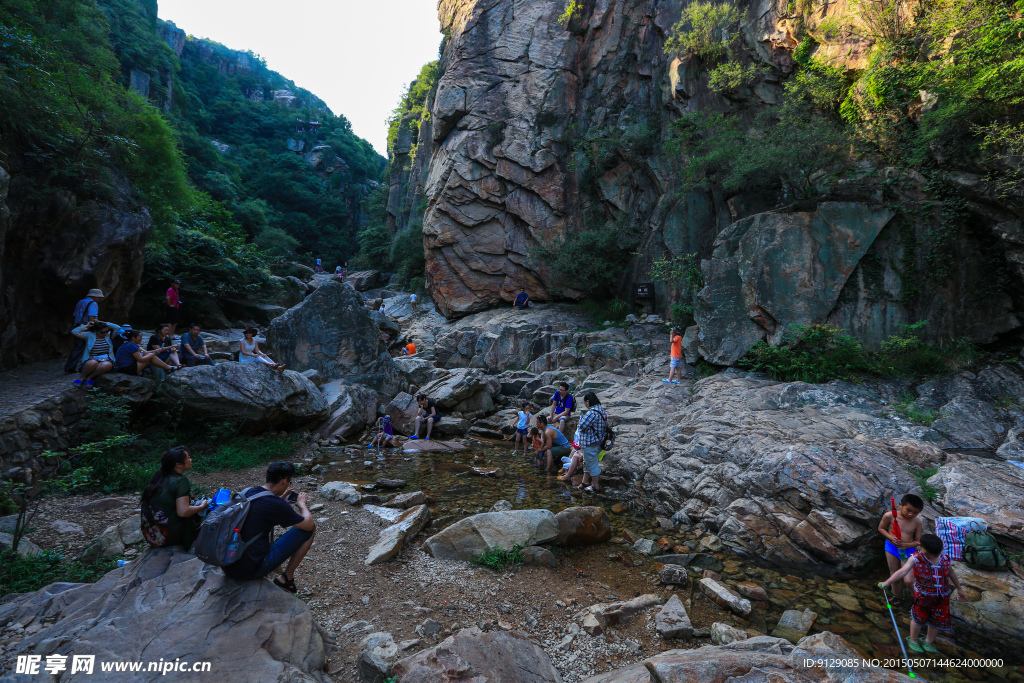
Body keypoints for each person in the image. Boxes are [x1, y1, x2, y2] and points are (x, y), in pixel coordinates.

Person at [222, 462, 316, 594]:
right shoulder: (275, 504)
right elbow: (308, 524)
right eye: (289, 481)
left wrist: (281, 500)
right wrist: (302, 505)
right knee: (310, 530)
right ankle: (286, 578)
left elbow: (260, 513)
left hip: (228, 565)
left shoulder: (248, 492)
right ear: (284, 481)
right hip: (249, 570)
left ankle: (274, 572)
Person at [879, 533, 966, 654]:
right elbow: (903, 571)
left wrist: (959, 588)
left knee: (937, 620)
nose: (933, 556)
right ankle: (913, 639)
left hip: (942, 596)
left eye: (936, 553)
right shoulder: (916, 558)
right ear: (922, 548)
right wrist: (887, 582)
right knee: (918, 618)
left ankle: (928, 641)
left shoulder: (945, 558)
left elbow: (951, 574)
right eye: (930, 553)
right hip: (924, 595)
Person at [140, 446, 208, 550]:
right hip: (167, 537)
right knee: (208, 515)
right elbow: (183, 512)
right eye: (188, 457)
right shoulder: (180, 481)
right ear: (179, 464)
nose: (191, 460)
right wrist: (202, 506)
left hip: (150, 536)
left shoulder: (160, 477)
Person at [878, 493, 925, 602]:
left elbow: (918, 541)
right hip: (891, 547)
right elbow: (881, 528)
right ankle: (896, 597)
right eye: (908, 510)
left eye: (915, 513)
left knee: (909, 580)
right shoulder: (889, 516)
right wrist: (891, 537)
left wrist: (907, 545)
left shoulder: (917, 522)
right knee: (894, 573)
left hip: (908, 551)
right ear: (900, 505)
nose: (910, 514)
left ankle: (918, 601)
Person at [573, 392, 607, 493]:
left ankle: (595, 485)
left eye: (585, 403)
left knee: (592, 465)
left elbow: (582, 426)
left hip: (590, 443)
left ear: (588, 401)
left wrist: (580, 421)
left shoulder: (592, 413)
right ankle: (585, 482)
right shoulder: (601, 410)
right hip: (597, 441)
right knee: (587, 462)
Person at [71, 321, 123, 386]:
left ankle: (89, 377)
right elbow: (74, 332)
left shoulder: (109, 335)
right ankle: (82, 377)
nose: (105, 333)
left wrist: (105, 323)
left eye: (106, 331)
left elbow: (118, 328)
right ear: (96, 330)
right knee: (92, 363)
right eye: (102, 332)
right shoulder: (89, 335)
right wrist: (86, 326)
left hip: (106, 358)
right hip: (92, 358)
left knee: (107, 365)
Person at [65, 289, 104, 374]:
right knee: (89, 347)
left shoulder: (80, 302)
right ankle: (85, 366)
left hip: (78, 325)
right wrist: (96, 324)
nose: (99, 299)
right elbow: (91, 318)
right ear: (95, 296)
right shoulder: (93, 303)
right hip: (87, 326)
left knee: (77, 347)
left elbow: (75, 314)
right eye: (99, 297)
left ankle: (70, 366)